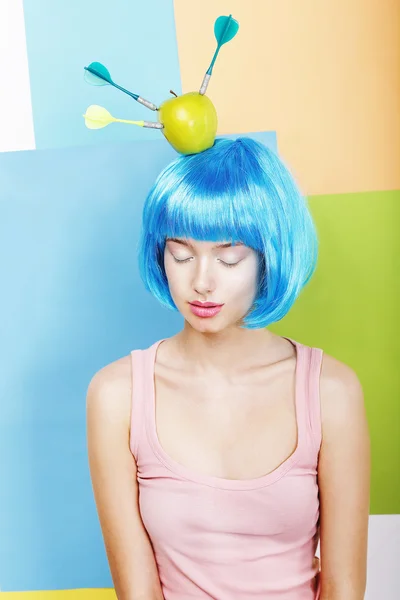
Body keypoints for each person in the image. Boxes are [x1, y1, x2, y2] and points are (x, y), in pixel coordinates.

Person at [86, 137, 370, 599]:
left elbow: (344, 587)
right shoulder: (116, 395)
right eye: (181, 254)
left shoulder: (330, 392)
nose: (201, 281)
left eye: (229, 257)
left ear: (268, 257)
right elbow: (137, 592)